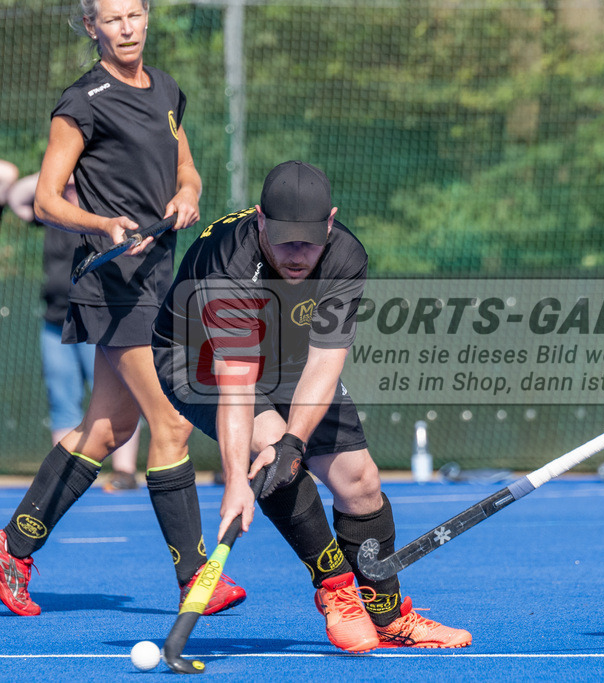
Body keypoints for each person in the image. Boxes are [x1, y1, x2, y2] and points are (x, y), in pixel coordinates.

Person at [152, 160, 472, 652]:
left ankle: (388, 617)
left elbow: (325, 363)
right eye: (283, 240)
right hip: (195, 356)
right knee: (269, 445)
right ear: (260, 220)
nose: (297, 254)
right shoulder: (229, 266)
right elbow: (236, 385)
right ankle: (336, 589)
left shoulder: (345, 255)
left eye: (309, 240)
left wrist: (297, 440)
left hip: (289, 352)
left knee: (360, 482)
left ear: (331, 221)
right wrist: (238, 480)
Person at [0, 0, 246, 618]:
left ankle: (12, 550)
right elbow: (51, 199)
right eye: (112, 19)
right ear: (92, 28)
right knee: (171, 422)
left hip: (158, 278)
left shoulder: (165, 89)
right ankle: (196, 577)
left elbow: (185, 166)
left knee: (109, 429)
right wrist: (102, 223)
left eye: (135, 14)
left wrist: (188, 194)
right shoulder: (81, 101)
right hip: (115, 283)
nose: (127, 27)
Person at [8, 171, 142, 491]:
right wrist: (57, 170)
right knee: (62, 399)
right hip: (55, 322)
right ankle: (62, 476)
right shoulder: (49, 212)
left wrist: (81, 173)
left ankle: (125, 471)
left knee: (115, 396)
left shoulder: (103, 212)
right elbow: (16, 196)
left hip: (94, 322)